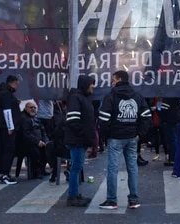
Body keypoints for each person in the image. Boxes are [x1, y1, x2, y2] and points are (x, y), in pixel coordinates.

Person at [98, 70, 151, 210]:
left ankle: (111, 200)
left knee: (113, 169)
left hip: (115, 137)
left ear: (119, 79)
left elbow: (103, 119)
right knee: (132, 168)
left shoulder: (110, 96)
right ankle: (133, 200)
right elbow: (147, 116)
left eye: (113, 80)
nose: (112, 83)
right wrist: (140, 134)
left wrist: (106, 135)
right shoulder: (137, 96)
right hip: (132, 137)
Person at [64, 75, 95, 207]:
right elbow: (73, 120)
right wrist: (84, 134)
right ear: (85, 84)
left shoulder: (83, 98)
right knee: (76, 167)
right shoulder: (76, 98)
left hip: (80, 139)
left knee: (77, 167)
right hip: (77, 139)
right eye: (91, 84)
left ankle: (75, 194)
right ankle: (72, 196)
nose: (93, 86)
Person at [0, 75, 22, 185]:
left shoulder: (2, 92)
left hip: (3, 126)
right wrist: (10, 127)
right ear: (13, 83)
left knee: (4, 149)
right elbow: (7, 111)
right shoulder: (6, 94)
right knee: (8, 150)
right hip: (7, 127)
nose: (17, 86)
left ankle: (2, 173)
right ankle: (4, 174)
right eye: (17, 84)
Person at [16, 100, 50, 179]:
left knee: (48, 148)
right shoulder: (23, 118)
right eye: (31, 107)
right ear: (26, 108)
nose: (33, 109)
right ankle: (35, 171)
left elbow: (43, 130)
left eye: (35, 108)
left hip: (38, 141)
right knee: (35, 152)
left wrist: (45, 141)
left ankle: (42, 169)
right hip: (25, 144)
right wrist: (37, 142)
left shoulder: (36, 117)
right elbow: (26, 134)